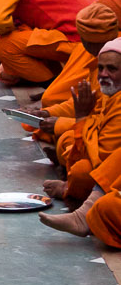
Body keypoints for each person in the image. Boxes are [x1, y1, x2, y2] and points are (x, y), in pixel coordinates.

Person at [41, 40, 121, 242]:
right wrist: (51, 113)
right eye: (100, 68)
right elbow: (75, 103)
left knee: (82, 174)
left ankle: (80, 207)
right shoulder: (108, 91)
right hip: (108, 174)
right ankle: (84, 213)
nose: (103, 74)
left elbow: (100, 158)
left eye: (111, 69)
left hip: (102, 170)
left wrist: (81, 120)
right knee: (66, 141)